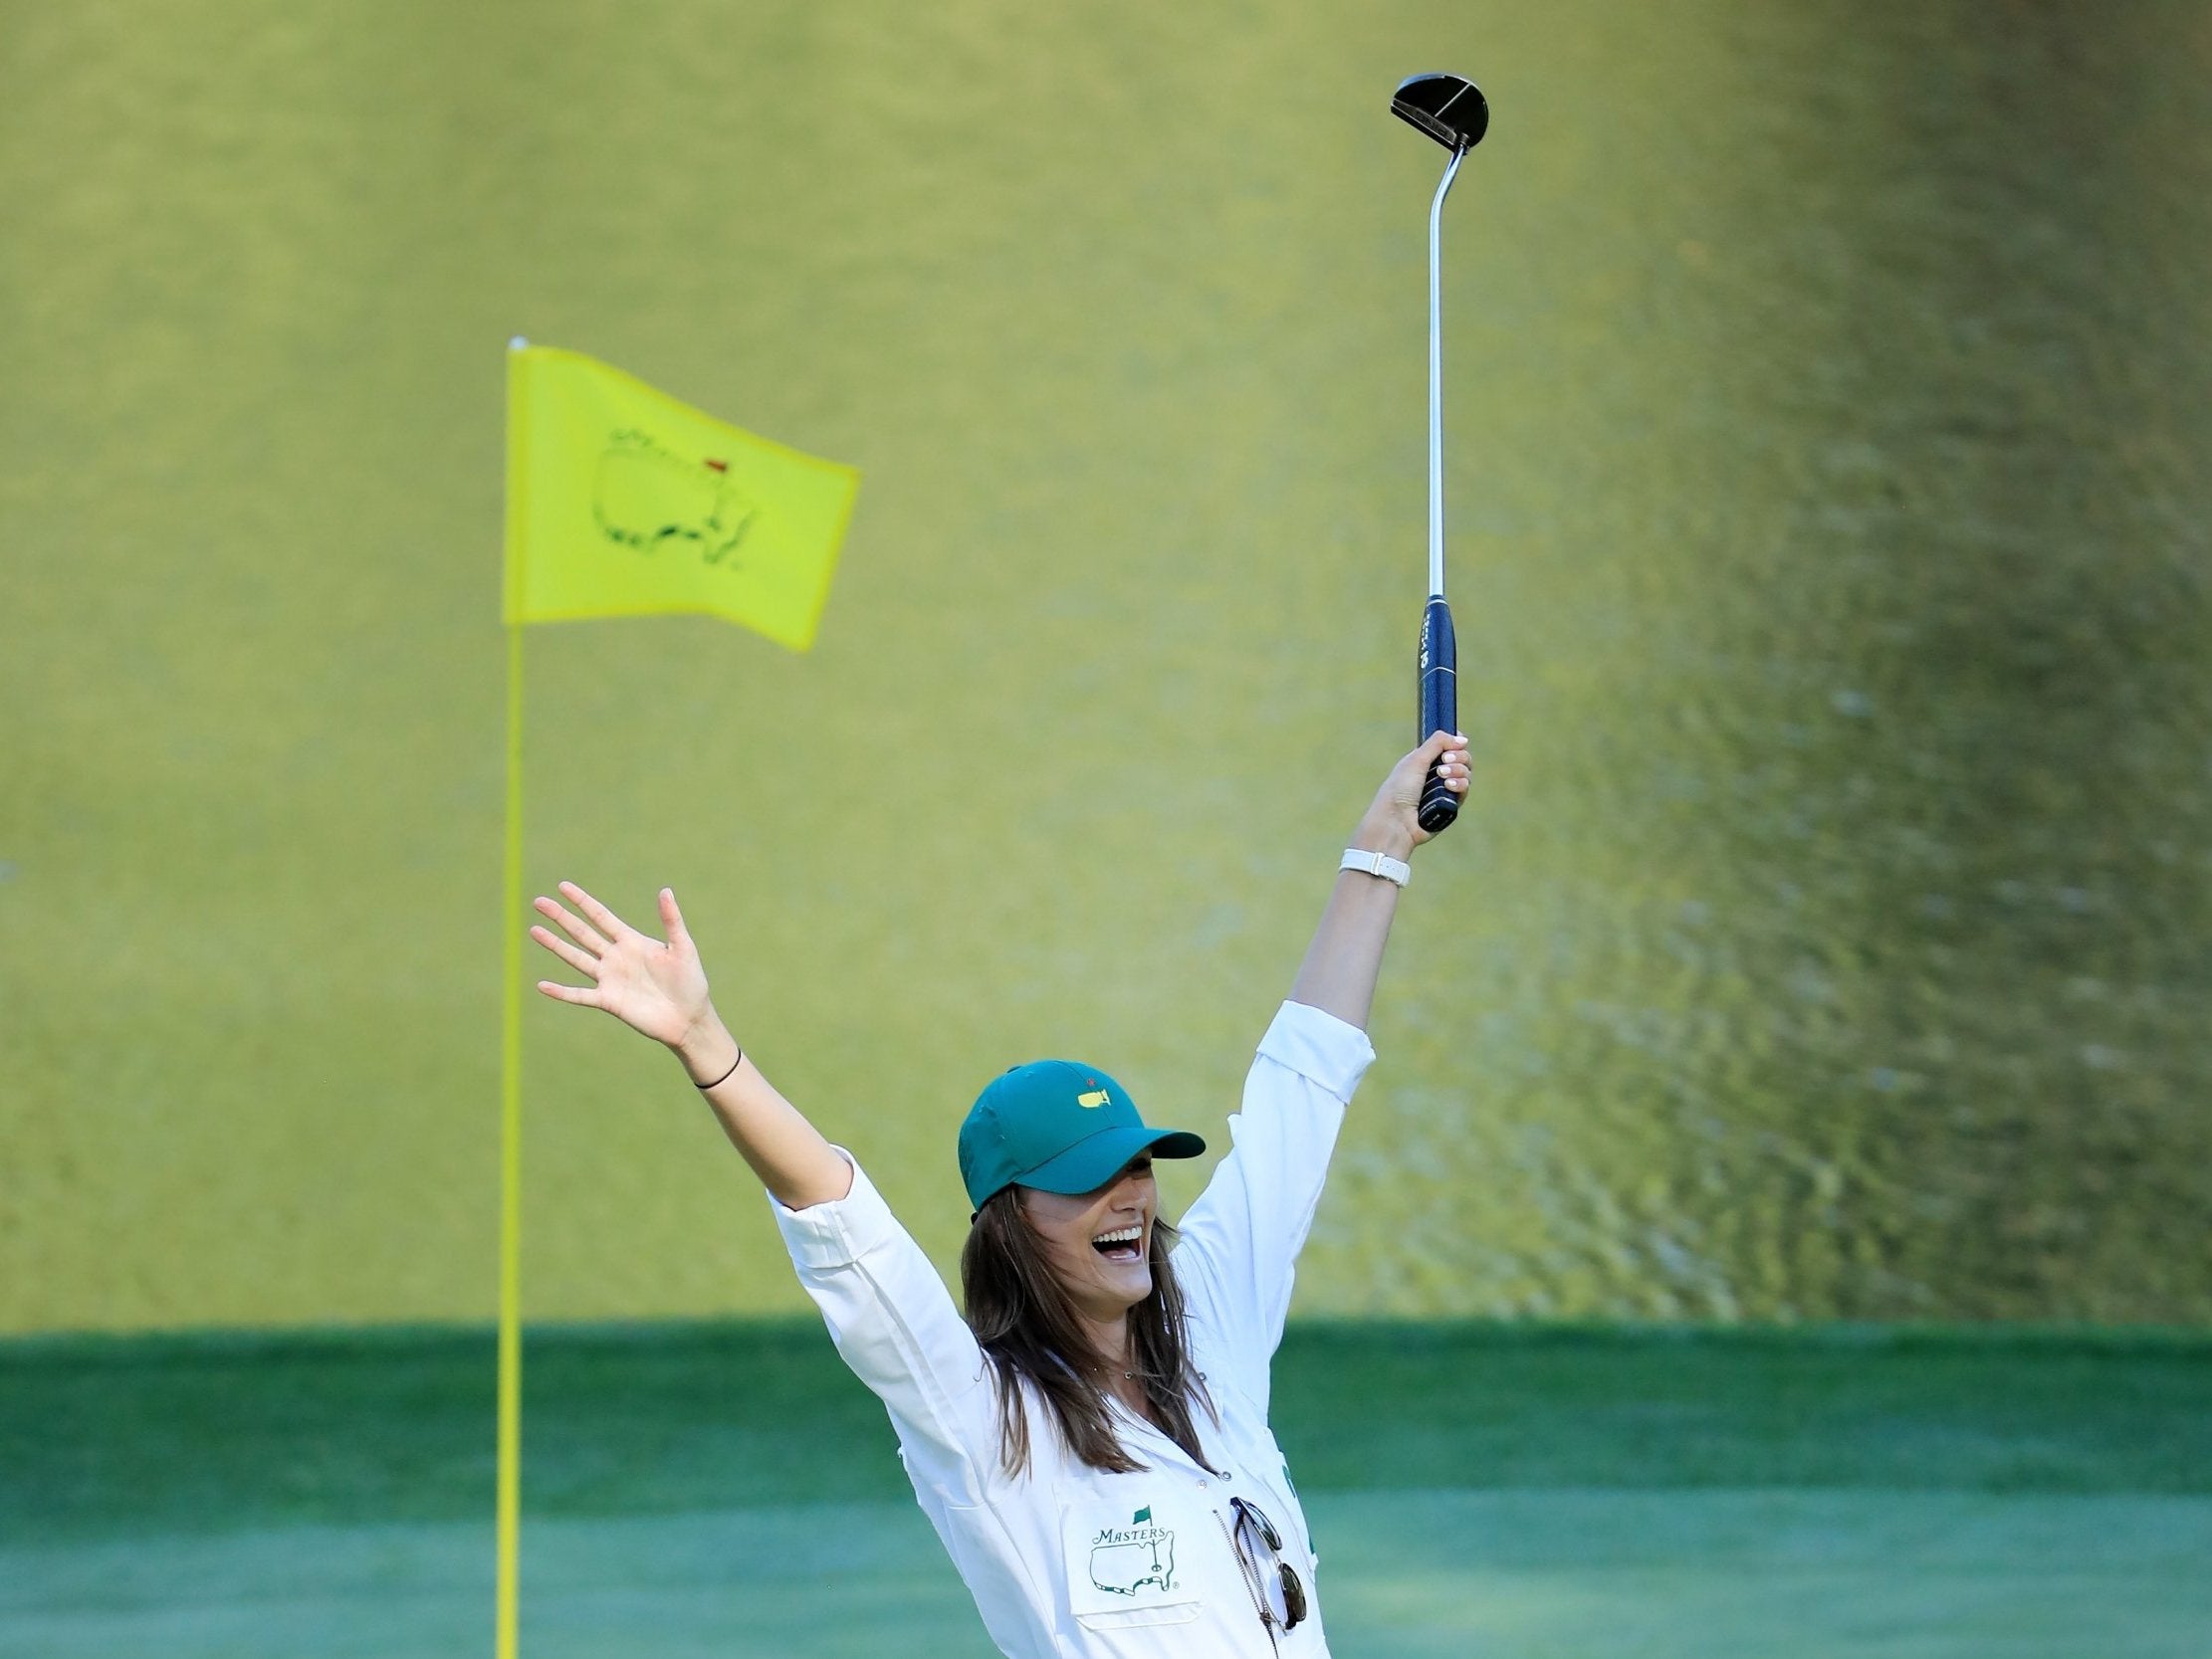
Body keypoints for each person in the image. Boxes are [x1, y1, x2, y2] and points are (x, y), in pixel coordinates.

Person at [527, 729, 1472, 1657]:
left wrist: (1383, 842)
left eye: (1138, 1165)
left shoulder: (1213, 1328)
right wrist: (708, 1047)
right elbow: (849, 1232)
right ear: (1015, 1222)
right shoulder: (982, 1420)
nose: (1129, 1198)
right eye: (1086, 1179)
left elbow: (1299, 1094)